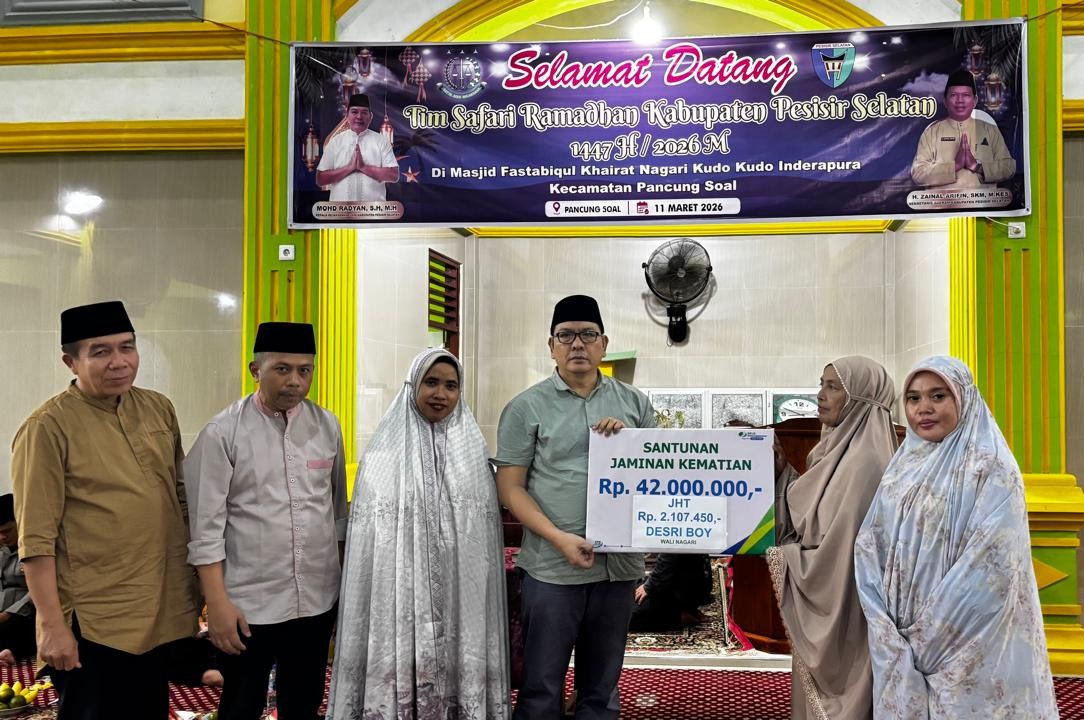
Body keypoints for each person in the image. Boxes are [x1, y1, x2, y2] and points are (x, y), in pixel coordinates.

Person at [10, 300, 199, 718]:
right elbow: (35, 540)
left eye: (127, 347)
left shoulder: (158, 407)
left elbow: (180, 498)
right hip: (95, 621)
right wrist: (51, 625)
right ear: (71, 362)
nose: (119, 361)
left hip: (159, 611)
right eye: (101, 351)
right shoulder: (47, 428)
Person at [854, 356, 1058, 718]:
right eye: (913, 398)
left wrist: (928, 638)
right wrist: (887, 629)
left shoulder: (991, 467)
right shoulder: (903, 466)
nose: (924, 408)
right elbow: (873, 543)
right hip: (899, 639)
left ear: (964, 398)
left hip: (970, 640)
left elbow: (991, 566)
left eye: (938, 396)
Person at [494, 294, 655, 720]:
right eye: (566, 336)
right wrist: (559, 538)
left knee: (601, 690)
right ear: (551, 346)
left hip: (617, 568)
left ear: (604, 344)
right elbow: (510, 489)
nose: (577, 344)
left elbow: (654, 477)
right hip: (552, 566)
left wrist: (628, 442)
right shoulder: (526, 407)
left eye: (587, 334)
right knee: (541, 687)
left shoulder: (635, 404)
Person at [327, 348, 510, 719]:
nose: (441, 394)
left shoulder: (473, 455)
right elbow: (371, 546)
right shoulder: (382, 456)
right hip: (399, 593)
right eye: (431, 383)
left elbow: (481, 537)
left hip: (460, 590)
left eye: (451, 386)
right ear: (412, 386)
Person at [185, 321, 347, 720]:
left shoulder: (327, 426)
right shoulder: (223, 433)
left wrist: (342, 590)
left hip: (316, 599)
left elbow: (337, 515)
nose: (295, 381)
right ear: (256, 370)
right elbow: (205, 531)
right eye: (282, 369)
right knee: (241, 705)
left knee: (304, 702)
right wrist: (216, 604)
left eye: (305, 370)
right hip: (248, 604)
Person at [766, 356, 896, 720]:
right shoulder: (836, 449)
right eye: (821, 384)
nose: (820, 395)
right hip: (838, 605)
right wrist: (783, 471)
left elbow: (835, 555)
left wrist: (789, 558)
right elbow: (815, 516)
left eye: (833, 387)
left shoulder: (866, 462)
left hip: (847, 612)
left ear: (860, 398)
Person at [911, 69, 1015, 189]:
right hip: (942, 201)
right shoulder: (932, 132)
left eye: (965, 95)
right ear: (945, 101)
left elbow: (1009, 168)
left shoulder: (989, 130)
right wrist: (954, 166)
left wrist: (977, 167)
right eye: (954, 95)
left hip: (982, 200)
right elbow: (918, 174)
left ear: (975, 101)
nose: (960, 100)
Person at [316, 93, 399, 201]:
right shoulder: (335, 141)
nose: (359, 117)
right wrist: (349, 168)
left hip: (374, 210)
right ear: (347, 115)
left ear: (370, 117)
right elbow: (321, 179)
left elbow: (393, 175)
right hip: (340, 210)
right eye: (354, 112)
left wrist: (364, 167)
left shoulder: (381, 141)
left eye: (364, 112)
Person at [629, 554, 712, 632]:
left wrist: (649, 587)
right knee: (627, 593)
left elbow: (669, 558)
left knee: (625, 616)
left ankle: (678, 616)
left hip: (682, 591)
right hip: (689, 581)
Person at [0, 494, 35, 664]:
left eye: (7, 531)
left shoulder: (34, 548)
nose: (2, 537)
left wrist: (9, 613)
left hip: (25, 612)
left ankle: (13, 651)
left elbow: (37, 588)